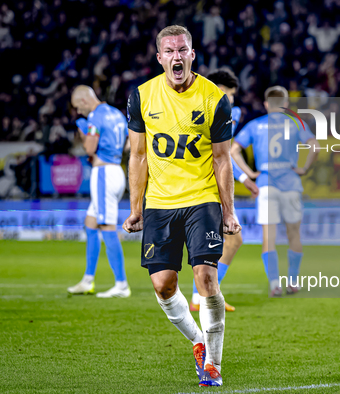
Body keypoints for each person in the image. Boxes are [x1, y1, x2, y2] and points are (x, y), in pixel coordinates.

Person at [122, 25, 240, 387]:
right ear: (160, 58)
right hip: (160, 203)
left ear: (192, 54)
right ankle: (199, 342)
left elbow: (222, 159)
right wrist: (136, 207)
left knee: (205, 277)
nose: (176, 56)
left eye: (182, 50)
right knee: (163, 285)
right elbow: (138, 154)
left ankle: (214, 365)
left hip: (202, 198)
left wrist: (229, 210)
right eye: (169, 51)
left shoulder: (213, 98)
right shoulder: (142, 97)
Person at [231, 86, 319, 296]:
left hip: (266, 183)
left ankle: (274, 285)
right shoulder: (296, 122)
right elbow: (314, 146)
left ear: (266, 104)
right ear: (286, 105)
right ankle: (293, 282)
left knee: (268, 237)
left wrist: (250, 173)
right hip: (291, 183)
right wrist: (304, 168)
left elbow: (234, 150)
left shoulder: (255, 125)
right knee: (294, 234)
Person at [189, 68, 259, 313]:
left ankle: (202, 295)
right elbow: (220, 153)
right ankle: (204, 295)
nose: (230, 99)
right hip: (209, 183)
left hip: (212, 181)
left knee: (223, 240)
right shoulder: (205, 111)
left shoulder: (223, 111)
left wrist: (242, 177)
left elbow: (224, 152)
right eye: (227, 94)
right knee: (230, 239)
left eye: (232, 95)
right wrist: (243, 177)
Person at [67, 85, 129, 298]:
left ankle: (121, 285)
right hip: (116, 170)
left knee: (106, 225)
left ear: (84, 101)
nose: (78, 112)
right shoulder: (116, 114)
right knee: (90, 223)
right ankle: (87, 280)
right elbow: (128, 144)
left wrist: (83, 130)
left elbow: (90, 149)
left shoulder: (94, 118)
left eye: (77, 107)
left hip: (103, 174)